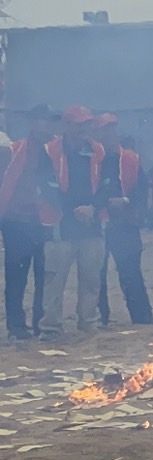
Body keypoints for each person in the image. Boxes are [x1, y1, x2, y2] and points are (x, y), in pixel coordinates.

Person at [36, 106, 110, 337]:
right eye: (79, 124)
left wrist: (93, 208)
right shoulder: (49, 151)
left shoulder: (98, 150)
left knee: (91, 278)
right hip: (61, 225)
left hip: (92, 225)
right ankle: (50, 327)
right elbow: (47, 188)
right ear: (66, 126)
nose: (83, 128)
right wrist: (74, 210)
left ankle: (88, 323)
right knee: (55, 280)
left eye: (87, 123)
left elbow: (108, 185)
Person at [0, 107, 61, 340]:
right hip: (16, 222)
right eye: (45, 121)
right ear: (34, 122)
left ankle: (40, 323)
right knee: (17, 277)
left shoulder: (56, 152)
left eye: (51, 122)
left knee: (44, 276)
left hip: (45, 221)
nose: (48, 126)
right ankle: (16, 326)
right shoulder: (14, 150)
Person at [94, 115, 153, 325]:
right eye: (103, 130)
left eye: (112, 129)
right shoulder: (91, 159)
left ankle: (142, 318)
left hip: (125, 223)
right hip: (98, 223)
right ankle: (101, 318)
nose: (108, 134)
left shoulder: (130, 158)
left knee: (130, 272)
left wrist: (125, 201)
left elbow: (142, 189)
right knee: (96, 275)